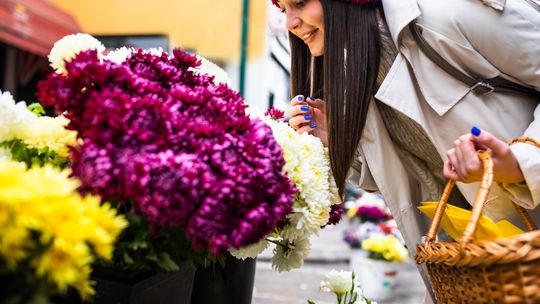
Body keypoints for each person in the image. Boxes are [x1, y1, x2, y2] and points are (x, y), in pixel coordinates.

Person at [273, 0, 540, 302]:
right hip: (476, 271)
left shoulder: (445, 13)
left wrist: (521, 163)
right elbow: (412, 171)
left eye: (299, 3)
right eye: (283, 9)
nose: (290, 24)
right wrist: (337, 141)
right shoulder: (355, 68)